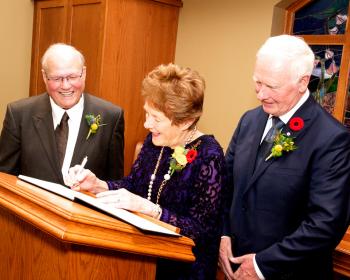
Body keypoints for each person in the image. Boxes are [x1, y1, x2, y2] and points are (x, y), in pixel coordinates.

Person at [65, 63, 228, 279]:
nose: (146, 124)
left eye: (156, 118)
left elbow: (201, 231)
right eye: (147, 114)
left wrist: (152, 210)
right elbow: (133, 185)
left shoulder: (209, 155)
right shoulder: (154, 143)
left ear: (186, 121)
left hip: (183, 270)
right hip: (142, 259)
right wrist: (97, 185)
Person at [219, 34, 350, 280]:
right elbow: (227, 185)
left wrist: (261, 265)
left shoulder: (332, 139)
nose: (261, 94)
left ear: (303, 82)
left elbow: (325, 224)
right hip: (235, 267)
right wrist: (223, 234)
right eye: (257, 82)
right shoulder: (249, 120)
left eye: (272, 86)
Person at [0, 43, 124, 184]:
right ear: (44, 76)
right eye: (57, 78)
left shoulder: (111, 117)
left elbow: (114, 185)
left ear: (84, 73)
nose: (65, 86)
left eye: (72, 77)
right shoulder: (19, 115)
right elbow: (4, 179)